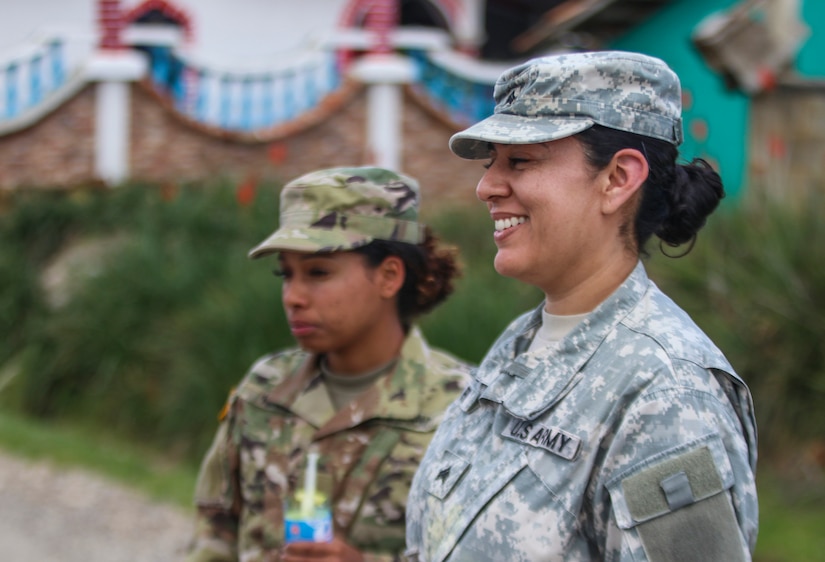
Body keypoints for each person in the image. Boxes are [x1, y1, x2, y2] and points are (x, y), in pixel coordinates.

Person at [405, 51, 758, 561]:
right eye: (491, 163)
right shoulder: (520, 344)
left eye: (520, 161)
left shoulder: (666, 394)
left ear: (617, 179)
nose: (486, 187)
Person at [185, 166, 472, 562]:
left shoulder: (462, 410)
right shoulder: (264, 390)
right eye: (286, 274)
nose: (293, 297)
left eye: (318, 272)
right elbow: (214, 530)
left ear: (388, 276)